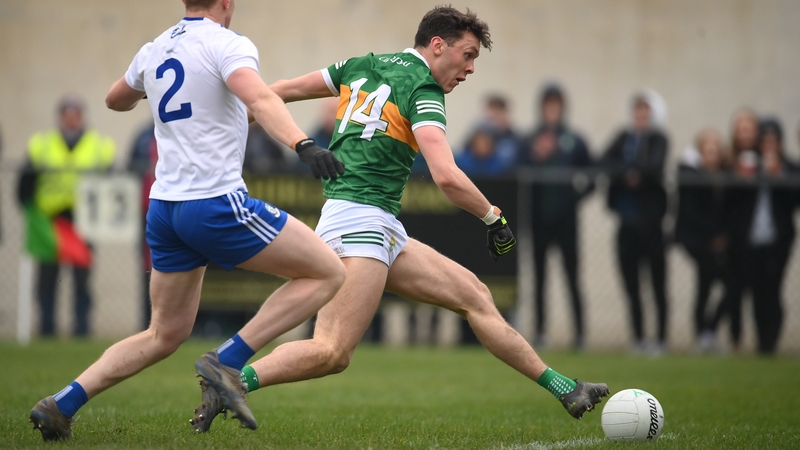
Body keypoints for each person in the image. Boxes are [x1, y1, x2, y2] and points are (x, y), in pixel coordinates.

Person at [191, 6, 608, 433]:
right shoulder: (424, 89)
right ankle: (231, 378)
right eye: (466, 55)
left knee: (476, 296)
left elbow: (276, 90)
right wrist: (492, 216)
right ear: (437, 45)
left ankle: (565, 388)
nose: (469, 69)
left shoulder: (361, 65)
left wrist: (205, 109)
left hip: (376, 225)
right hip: (360, 223)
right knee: (332, 351)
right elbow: (446, 176)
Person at [28, 0, 347, 441]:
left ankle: (61, 404)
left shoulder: (155, 48)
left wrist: (149, 83)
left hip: (165, 210)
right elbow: (258, 96)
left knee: (164, 332)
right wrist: (303, 143)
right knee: (329, 270)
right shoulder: (226, 44)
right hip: (214, 202)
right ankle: (228, 359)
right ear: (226, 3)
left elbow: (114, 98)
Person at [16, 95, 116, 338]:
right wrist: (33, 216)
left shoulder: (99, 145)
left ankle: (82, 329)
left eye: (75, 115)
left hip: (83, 222)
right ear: (60, 117)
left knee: (82, 280)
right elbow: (25, 185)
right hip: (50, 221)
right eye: (67, 115)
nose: (71, 120)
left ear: (81, 117)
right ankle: (47, 328)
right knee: (48, 279)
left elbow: (111, 183)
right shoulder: (42, 144)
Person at [518, 83, 592, 350]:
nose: (552, 110)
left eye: (556, 105)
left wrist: (573, 200)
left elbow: (592, 176)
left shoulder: (574, 140)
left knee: (572, 277)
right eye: (548, 105)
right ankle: (540, 333)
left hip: (566, 223)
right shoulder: (529, 140)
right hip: (538, 222)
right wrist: (536, 155)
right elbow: (517, 173)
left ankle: (580, 335)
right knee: (539, 279)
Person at [600, 90, 669, 355]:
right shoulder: (623, 137)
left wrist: (633, 171)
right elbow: (604, 160)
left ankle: (660, 339)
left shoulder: (658, 139)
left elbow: (654, 167)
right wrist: (627, 173)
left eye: (646, 112)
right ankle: (638, 338)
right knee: (632, 286)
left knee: (658, 284)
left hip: (652, 225)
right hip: (626, 224)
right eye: (637, 111)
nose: (641, 116)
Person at [722, 118, 798, 354]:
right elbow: (731, 204)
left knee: (772, 292)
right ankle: (756, 344)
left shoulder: (789, 167)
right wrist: (744, 179)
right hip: (749, 241)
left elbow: (793, 203)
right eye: (764, 141)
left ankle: (769, 343)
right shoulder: (747, 164)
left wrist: (779, 178)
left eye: (772, 141)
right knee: (754, 292)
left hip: (778, 240)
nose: (768, 146)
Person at [674, 129, 731, 353]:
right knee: (707, 285)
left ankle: (707, 331)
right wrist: (712, 237)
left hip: (717, 243)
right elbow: (692, 212)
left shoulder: (726, 176)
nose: (712, 155)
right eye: (707, 151)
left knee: (724, 284)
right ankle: (704, 333)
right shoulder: (692, 177)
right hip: (699, 243)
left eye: (716, 150)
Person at [127, 121, 157, 330]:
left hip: (175, 207)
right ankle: (148, 323)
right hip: (148, 211)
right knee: (148, 267)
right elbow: (132, 168)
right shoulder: (144, 136)